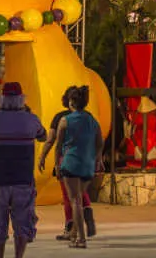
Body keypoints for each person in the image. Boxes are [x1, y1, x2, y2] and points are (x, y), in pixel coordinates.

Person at [0, 81, 46, 258]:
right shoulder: (31, 119)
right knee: (22, 224)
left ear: (2, 99)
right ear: (21, 99)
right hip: (23, 180)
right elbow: (43, 135)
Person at [38, 86, 96, 241]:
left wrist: (43, 156)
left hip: (68, 160)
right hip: (86, 159)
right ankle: (88, 215)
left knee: (69, 197)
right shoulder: (88, 117)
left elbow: (52, 141)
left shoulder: (61, 118)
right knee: (81, 192)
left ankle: (71, 228)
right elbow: (97, 140)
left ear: (68, 100)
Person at [56, 86, 103, 250]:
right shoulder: (93, 121)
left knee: (75, 201)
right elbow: (100, 143)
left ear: (72, 102)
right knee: (80, 197)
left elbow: (58, 145)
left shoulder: (65, 120)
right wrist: (98, 159)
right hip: (88, 165)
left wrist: (57, 164)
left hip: (71, 163)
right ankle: (75, 233)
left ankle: (81, 239)